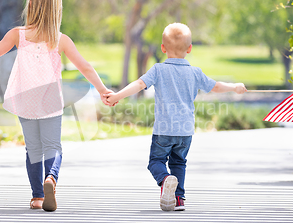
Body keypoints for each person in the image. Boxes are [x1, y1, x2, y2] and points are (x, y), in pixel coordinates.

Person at [0, 0, 112, 212]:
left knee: (33, 148)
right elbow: (85, 67)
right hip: (50, 101)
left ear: (32, 5)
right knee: (53, 146)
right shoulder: (60, 40)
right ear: (57, 8)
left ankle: (37, 197)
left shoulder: (18, 35)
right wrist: (102, 89)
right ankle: (51, 179)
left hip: (25, 99)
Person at [105, 23, 246, 211]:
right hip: (185, 131)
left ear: (163, 48)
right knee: (179, 162)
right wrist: (234, 87)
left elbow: (139, 84)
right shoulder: (195, 72)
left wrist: (116, 96)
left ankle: (164, 180)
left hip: (164, 129)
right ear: (190, 48)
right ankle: (178, 199)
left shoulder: (158, 69)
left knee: (155, 162)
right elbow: (216, 87)